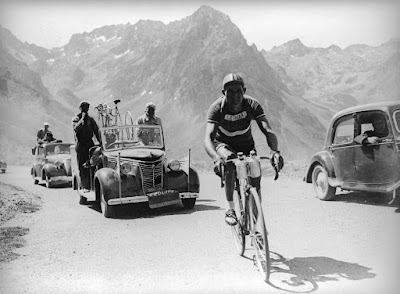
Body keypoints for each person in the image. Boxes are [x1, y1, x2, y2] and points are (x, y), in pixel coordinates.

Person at [204, 73, 284, 226]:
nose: (235, 95)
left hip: (246, 145)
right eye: (230, 92)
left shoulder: (252, 105)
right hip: (223, 144)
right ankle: (230, 208)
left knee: (256, 181)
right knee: (230, 162)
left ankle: (254, 224)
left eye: (238, 91)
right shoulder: (216, 109)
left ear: (244, 90)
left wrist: (275, 151)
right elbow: (207, 138)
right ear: (223, 93)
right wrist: (216, 159)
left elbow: (268, 130)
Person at [72, 101, 100, 192]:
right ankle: (84, 185)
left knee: (92, 163)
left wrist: (101, 142)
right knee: (82, 166)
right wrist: (82, 120)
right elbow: (76, 129)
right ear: (80, 108)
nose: (85, 109)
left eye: (87, 107)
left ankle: (93, 185)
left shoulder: (91, 119)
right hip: (81, 145)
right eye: (83, 107)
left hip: (89, 144)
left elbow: (96, 131)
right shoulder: (76, 118)